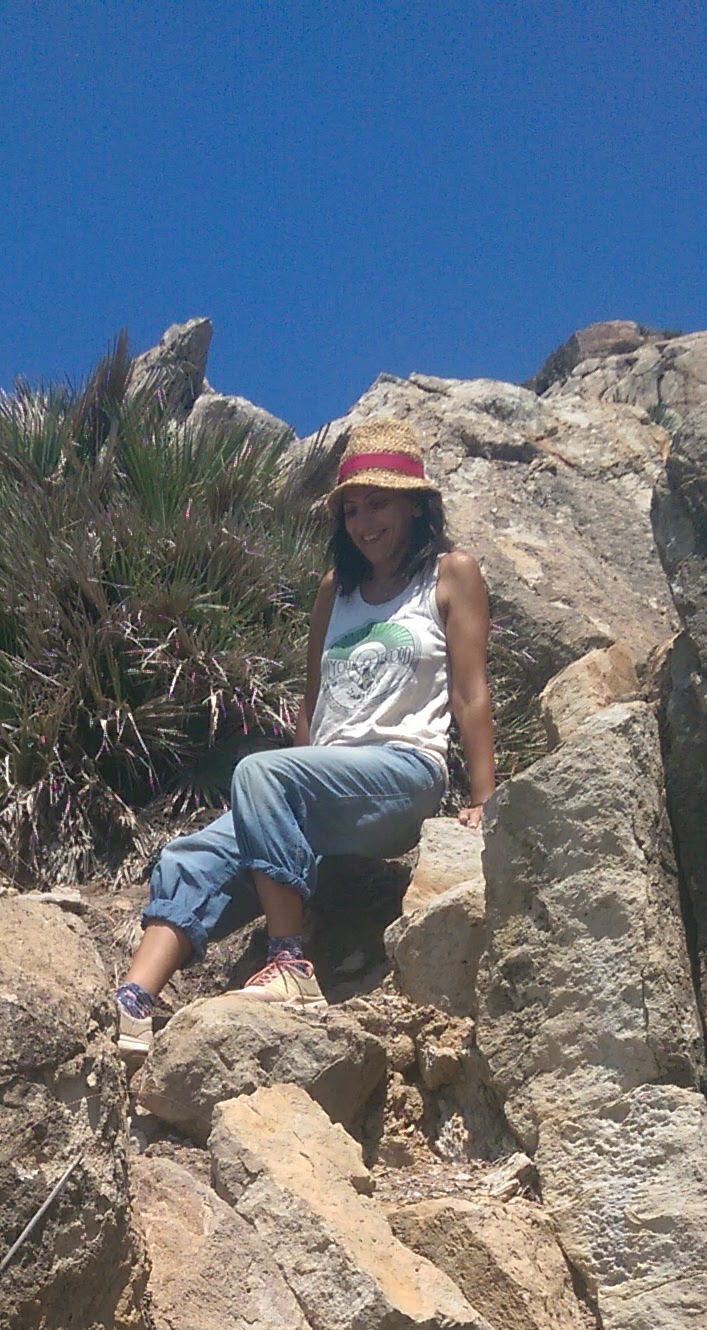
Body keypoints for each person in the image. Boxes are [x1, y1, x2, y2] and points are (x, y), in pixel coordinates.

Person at [114, 418, 496, 1068]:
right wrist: (281, 802)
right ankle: (133, 1004)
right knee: (191, 854)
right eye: (352, 509)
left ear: (414, 504)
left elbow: (470, 693)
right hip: (324, 784)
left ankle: (289, 964)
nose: (363, 521)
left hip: (403, 773)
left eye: (378, 503)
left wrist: (486, 799)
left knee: (260, 775)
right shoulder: (334, 592)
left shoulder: (450, 574)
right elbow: (313, 708)